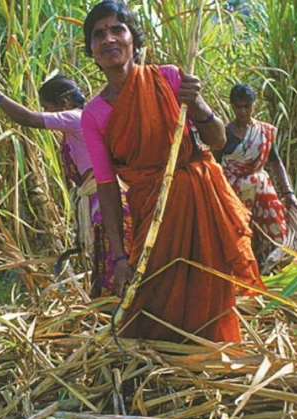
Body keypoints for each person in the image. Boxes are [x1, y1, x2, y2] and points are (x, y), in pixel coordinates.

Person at [80, 1, 264, 343]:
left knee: (206, 282)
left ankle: (209, 358)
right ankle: (163, 365)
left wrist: (197, 104)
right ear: (91, 50)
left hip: (199, 199)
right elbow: (106, 186)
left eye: (117, 29)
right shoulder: (93, 114)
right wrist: (119, 256)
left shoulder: (168, 78)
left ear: (133, 38)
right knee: (155, 292)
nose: (109, 39)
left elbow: (218, 140)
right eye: (98, 34)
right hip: (151, 209)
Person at [0, 68, 132, 297]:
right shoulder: (82, 122)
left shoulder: (76, 117)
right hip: (98, 196)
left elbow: (27, 118)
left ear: (64, 102)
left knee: (112, 262)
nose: (47, 113)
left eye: (48, 108)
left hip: (103, 198)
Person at [219, 83, 297, 265]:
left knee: (268, 221)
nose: (242, 111)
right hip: (232, 191)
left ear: (254, 105)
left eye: (246, 106)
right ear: (232, 106)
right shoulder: (224, 134)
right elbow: (215, 166)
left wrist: (289, 193)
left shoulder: (263, 132)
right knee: (236, 230)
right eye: (238, 107)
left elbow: (275, 161)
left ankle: (271, 259)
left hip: (260, 191)